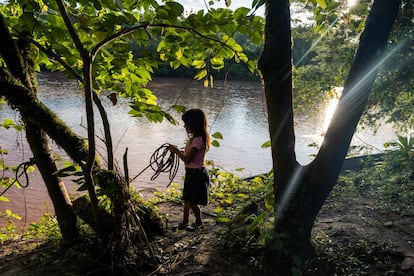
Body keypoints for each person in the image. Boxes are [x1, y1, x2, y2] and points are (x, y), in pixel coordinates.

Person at [169, 109, 210, 231]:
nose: (185, 126)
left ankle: (198, 222)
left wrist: (176, 151)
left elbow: (187, 159)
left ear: (193, 124)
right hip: (191, 172)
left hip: (196, 174)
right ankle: (185, 222)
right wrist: (177, 151)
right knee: (187, 199)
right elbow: (188, 156)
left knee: (192, 201)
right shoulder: (194, 139)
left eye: (186, 124)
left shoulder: (198, 140)